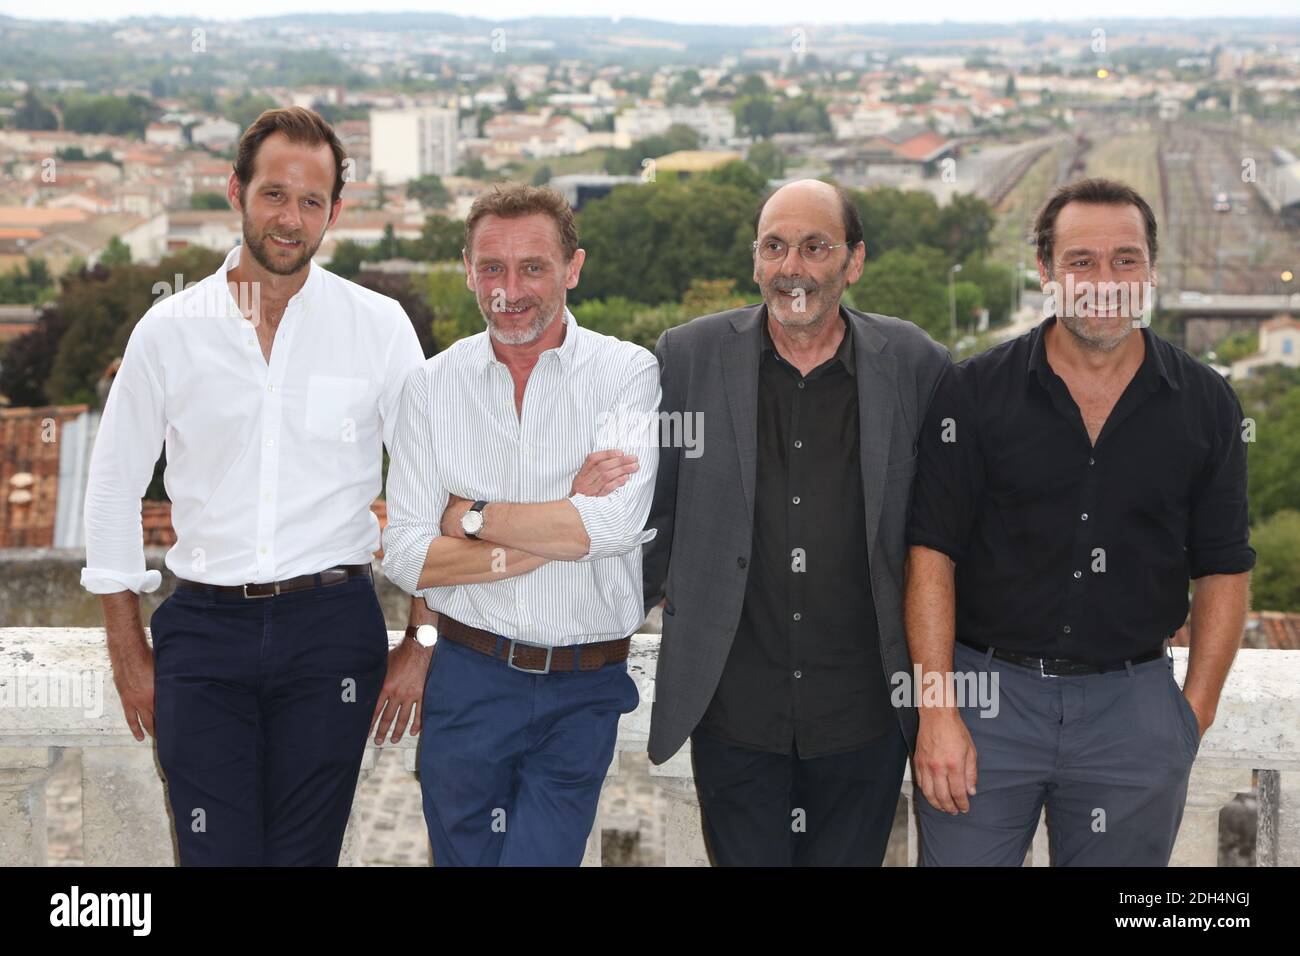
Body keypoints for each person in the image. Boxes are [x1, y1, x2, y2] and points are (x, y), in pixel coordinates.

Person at [80, 106, 430, 865]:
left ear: (335, 211)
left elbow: (429, 490)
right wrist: (127, 650)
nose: (290, 218)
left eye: (311, 201)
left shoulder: (379, 327)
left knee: (304, 858)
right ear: (235, 191)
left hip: (332, 632)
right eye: (274, 194)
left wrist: (422, 639)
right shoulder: (169, 330)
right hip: (204, 635)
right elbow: (111, 489)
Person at [907, 177, 1254, 866]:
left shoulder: (1206, 403)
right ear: (1046, 271)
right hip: (985, 704)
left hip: (1133, 713)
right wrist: (937, 710)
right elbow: (931, 556)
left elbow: (1224, 566)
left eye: (1126, 260)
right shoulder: (974, 392)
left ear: (1150, 271)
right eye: (1081, 261)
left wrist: (1190, 716)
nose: (1105, 282)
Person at [642, 179, 949, 865]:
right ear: (755, 260)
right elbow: (652, 517)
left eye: (815, 247)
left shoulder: (913, 364)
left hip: (866, 716)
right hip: (732, 713)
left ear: (854, 261)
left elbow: (947, 531)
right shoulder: (688, 358)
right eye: (774, 247)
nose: (792, 268)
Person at [381, 183, 659, 866]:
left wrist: (470, 518)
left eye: (532, 267)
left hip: (583, 689)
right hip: (469, 681)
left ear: (573, 268)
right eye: (491, 268)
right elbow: (408, 557)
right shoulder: (430, 387)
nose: (510, 290)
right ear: (468, 271)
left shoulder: (627, 372)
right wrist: (563, 518)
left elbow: (613, 526)